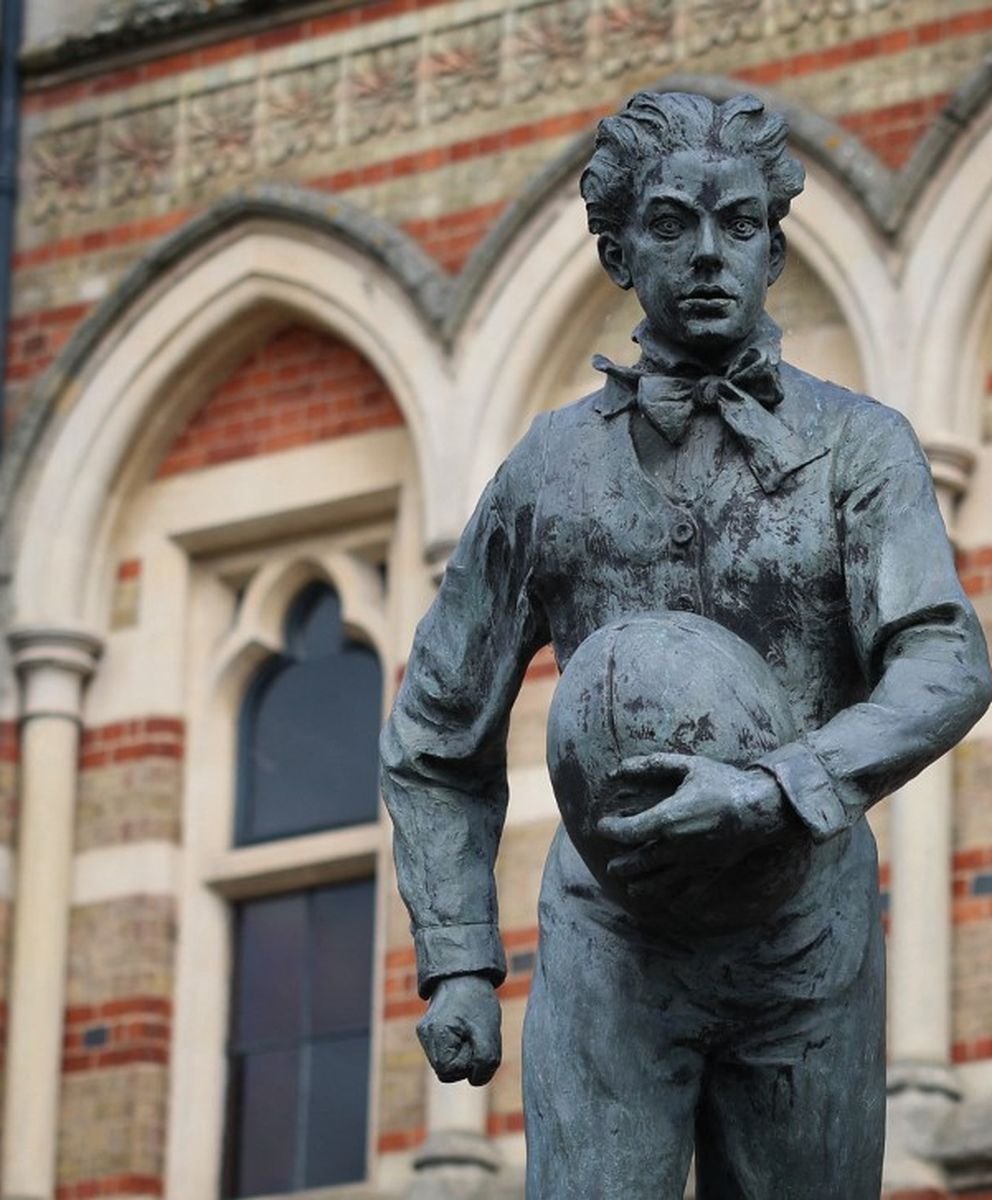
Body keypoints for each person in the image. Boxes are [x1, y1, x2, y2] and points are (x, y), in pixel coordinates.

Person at [379, 91, 992, 1200]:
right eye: (670, 225)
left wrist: (775, 789)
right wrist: (462, 960)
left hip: (803, 933)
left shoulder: (861, 448)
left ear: (773, 246)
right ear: (616, 250)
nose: (708, 255)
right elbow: (434, 733)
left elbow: (946, 661)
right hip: (614, 938)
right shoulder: (550, 470)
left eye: (740, 225)